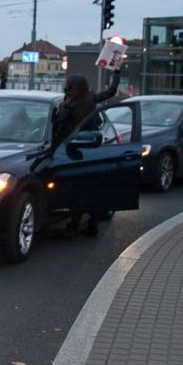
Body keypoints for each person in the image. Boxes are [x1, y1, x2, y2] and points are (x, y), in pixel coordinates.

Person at [51, 61, 123, 238]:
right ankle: (91, 225)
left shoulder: (69, 105)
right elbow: (111, 92)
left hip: (73, 151)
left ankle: (75, 227)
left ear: (70, 87)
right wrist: (117, 73)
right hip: (91, 148)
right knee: (85, 190)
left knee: (77, 191)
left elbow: (59, 129)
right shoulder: (90, 100)